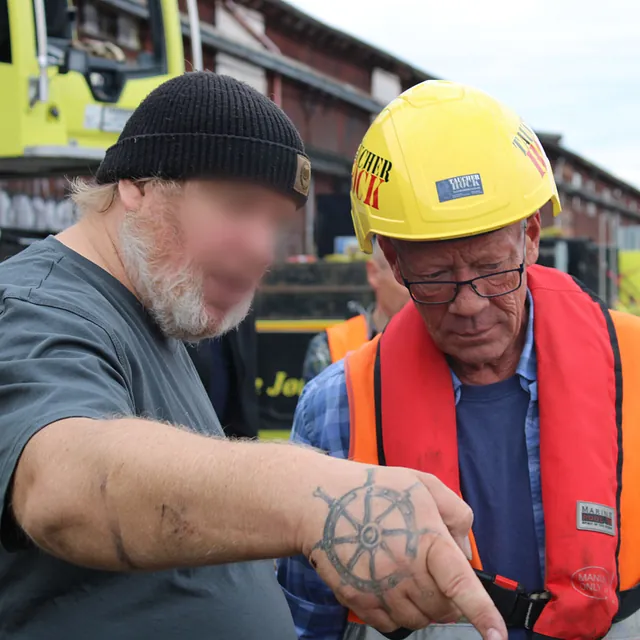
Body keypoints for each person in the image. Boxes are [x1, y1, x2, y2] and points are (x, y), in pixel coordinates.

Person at [0, 72, 508, 640]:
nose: (263, 249)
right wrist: (319, 493)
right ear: (134, 185)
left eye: (275, 224)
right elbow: (61, 485)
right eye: (237, 206)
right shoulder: (34, 305)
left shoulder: (155, 312)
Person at [277, 80, 640, 640]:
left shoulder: (634, 368)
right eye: (436, 278)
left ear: (532, 236)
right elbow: (308, 622)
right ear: (394, 263)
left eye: (493, 270)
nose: (469, 305)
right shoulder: (336, 409)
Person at [302, 239, 409, 381]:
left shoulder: (440, 342)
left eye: (427, 276)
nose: (418, 288)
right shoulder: (330, 346)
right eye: (405, 274)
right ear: (374, 273)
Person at [185, 309, 260, 439]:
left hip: (231, 436)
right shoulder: (177, 310)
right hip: (187, 435)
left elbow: (245, 380)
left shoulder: (240, 313)